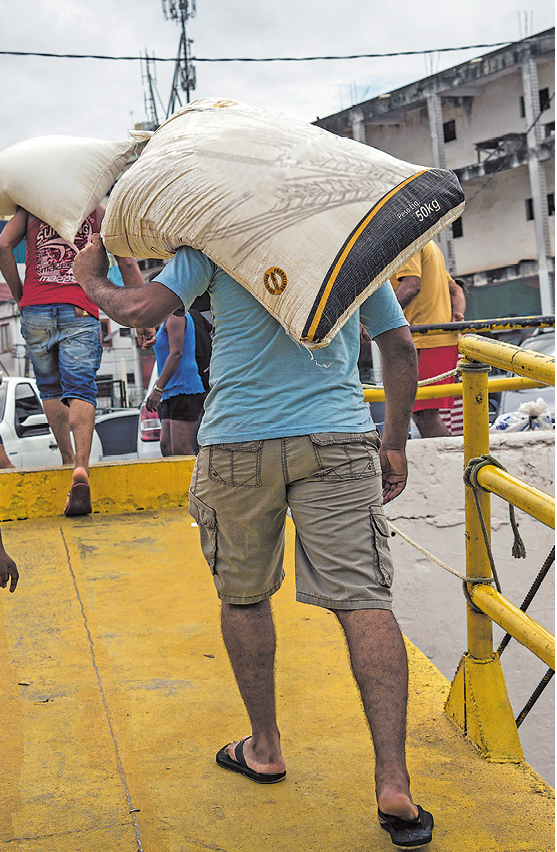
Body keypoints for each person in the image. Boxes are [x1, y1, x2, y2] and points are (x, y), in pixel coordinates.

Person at [73, 233, 434, 849]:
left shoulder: (217, 239)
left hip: (238, 442)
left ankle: (265, 748)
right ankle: (392, 779)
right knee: (365, 601)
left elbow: (139, 312)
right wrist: (394, 442)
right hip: (337, 437)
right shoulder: (349, 243)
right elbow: (398, 346)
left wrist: (91, 278)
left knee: (243, 597)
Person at [0, 206, 151, 515]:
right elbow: (126, 260)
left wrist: (22, 297)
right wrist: (143, 318)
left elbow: (3, 245)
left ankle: (67, 459)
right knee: (81, 388)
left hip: (36, 310)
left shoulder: (31, 207)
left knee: (51, 389)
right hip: (80, 308)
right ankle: (81, 468)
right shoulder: (98, 212)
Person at [390, 240, 466, 438]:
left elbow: (411, 286)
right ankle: (452, 464)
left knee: (424, 414)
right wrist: (457, 313)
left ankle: (450, 466)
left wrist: (383, 319)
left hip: (427, 341)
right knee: (422, 413)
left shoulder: (407, 241)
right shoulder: (428, 242)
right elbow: (456, 289)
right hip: (442, 339)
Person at [145, 311, 208, 456]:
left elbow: (176, 354)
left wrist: (157, 388)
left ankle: (198, 478)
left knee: (181, 449)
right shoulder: (166, 320)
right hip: (170, 390)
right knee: (166, 448)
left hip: (184, 388)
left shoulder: (177, 316)